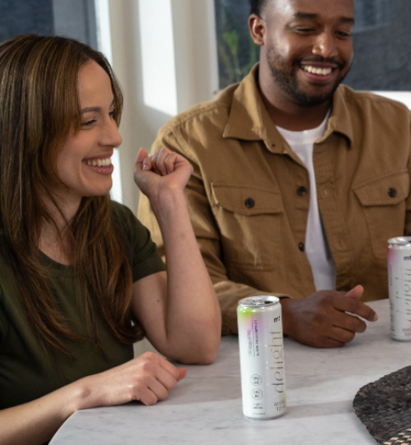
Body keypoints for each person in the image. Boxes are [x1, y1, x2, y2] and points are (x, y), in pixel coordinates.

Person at [137, 0, 411, 348]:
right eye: (304, 28)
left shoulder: (394, 127)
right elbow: (179, 281)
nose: (327, 48)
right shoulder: (187, 143)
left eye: (342, 31)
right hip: (255, 367)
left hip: (385, 356)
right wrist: (282, 315)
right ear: (258, 30)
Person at [0, 35, 221, 444]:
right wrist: (85, 394)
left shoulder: (114, 226)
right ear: (24, 130)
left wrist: (169, 204)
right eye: (89, 121)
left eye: (112, 114)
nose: (115, 137)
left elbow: (196, 343)